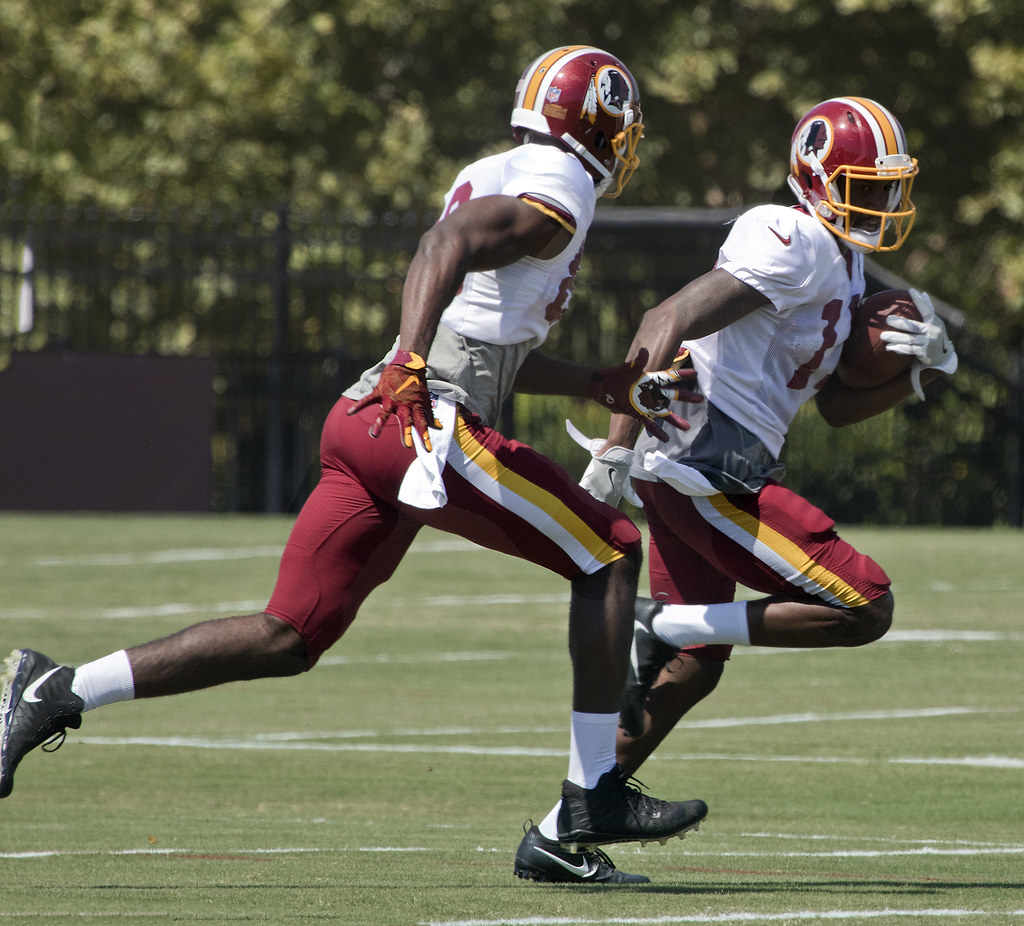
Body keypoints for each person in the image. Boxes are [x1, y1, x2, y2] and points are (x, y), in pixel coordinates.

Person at [0, 45, 708, 885]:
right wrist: (411, 360)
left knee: (289, 636)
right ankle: (591, 797)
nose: (625, 144)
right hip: (422, 419)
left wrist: (592, 383)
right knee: (612, 550)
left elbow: (485, 338)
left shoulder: (503, 169)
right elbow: (444, 244)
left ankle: (57, 689)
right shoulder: (562, 183)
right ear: (593, 121)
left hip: (369, 419)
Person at [568, 96, 958, 867]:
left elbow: (837, 408)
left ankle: (566, 822)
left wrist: (923, 370)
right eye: (866, 186)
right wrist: (613, 448)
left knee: (693, 671)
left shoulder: (841, 259)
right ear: (815, 179)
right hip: (706, 465)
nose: (882, 203)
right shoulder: (794, 237)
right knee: (864, 605)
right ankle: (664, 622)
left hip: (703, 469)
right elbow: (665, 318)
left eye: (889, 188)